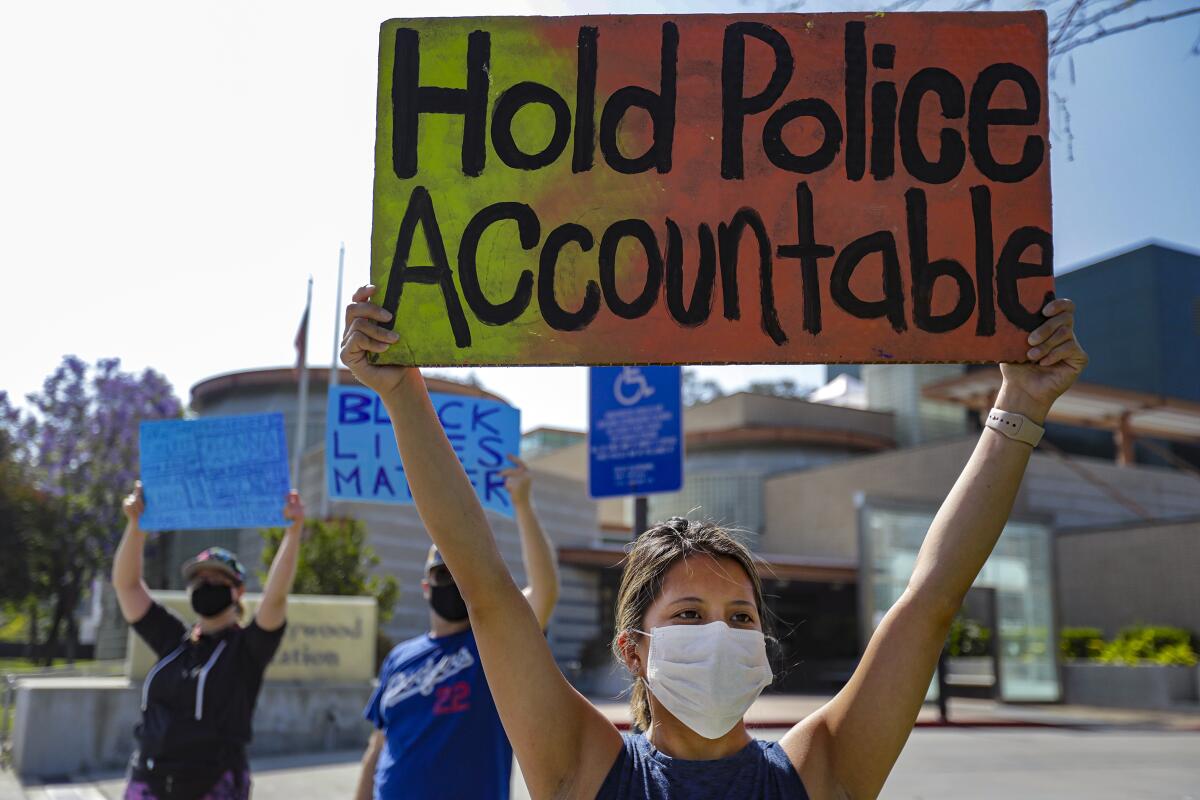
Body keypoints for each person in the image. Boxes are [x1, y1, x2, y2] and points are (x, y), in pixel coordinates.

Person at [341, 284, 1087, 800]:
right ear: (632, 649)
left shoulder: (817, 772)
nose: (722, 634)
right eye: (690, 614)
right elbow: (487, 587)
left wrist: (1018, 406)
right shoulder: (586, 769)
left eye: (740, 617)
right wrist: (404, 394)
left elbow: (929, 599)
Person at [353, 455, 560, 800]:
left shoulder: (494, 643)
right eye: (441, 574)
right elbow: (376, 751)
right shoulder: (399, 658)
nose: (451, 582)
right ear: (425, 587)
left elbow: (544, 591)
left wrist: (522, 504)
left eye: (458, 574)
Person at [113, 483, 305, 800]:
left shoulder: (246, 650)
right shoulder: (174, 640)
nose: (208, 584)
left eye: (218, 580)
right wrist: (136, 526)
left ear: (238, 591)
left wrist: (293, 533)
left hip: (214, 785)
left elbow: (275, 599)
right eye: (200, 579)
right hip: (148, 781)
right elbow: (127, 585)